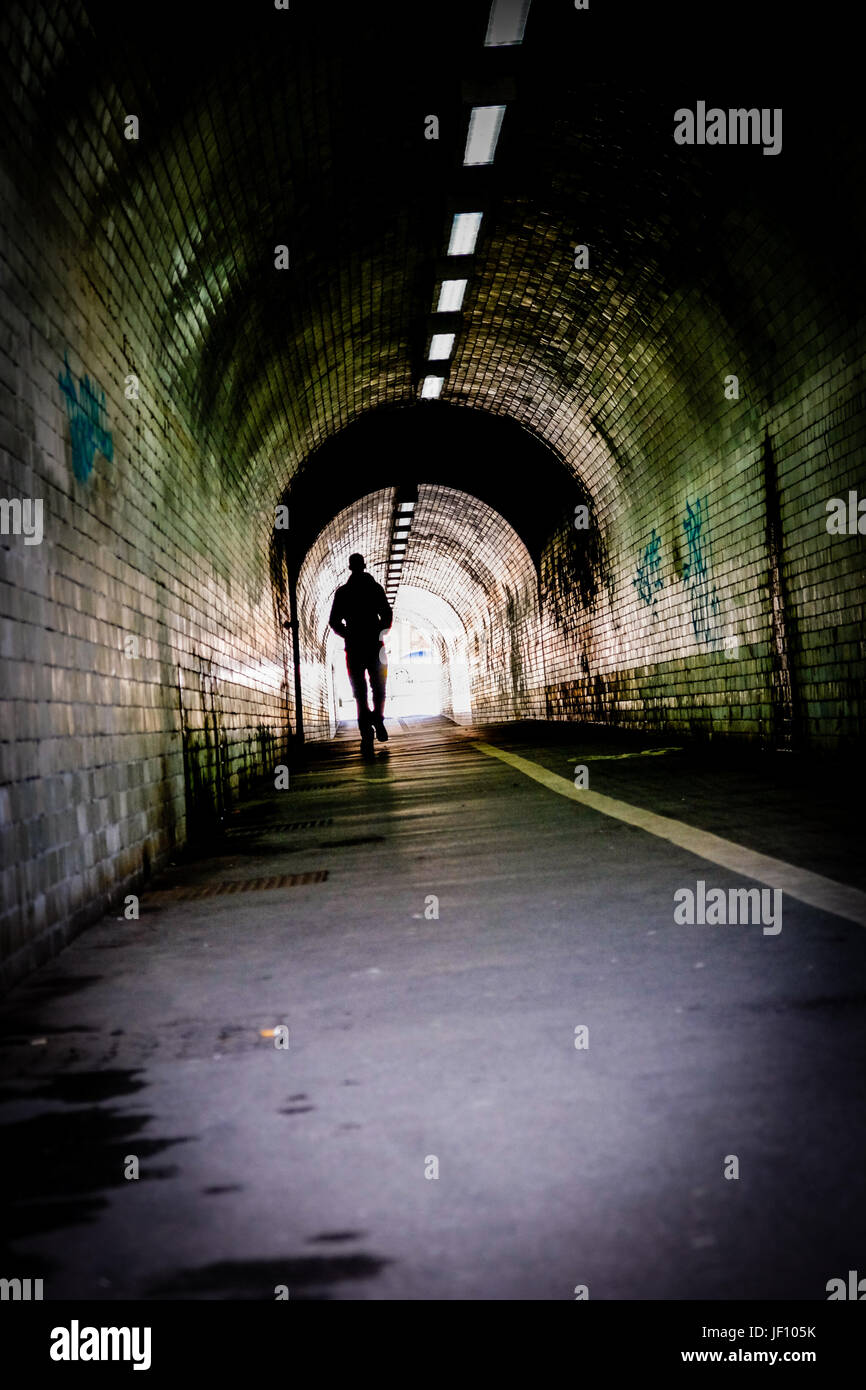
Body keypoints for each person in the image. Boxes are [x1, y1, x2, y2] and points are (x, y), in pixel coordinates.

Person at [328, 553, 393, 755]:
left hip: (354, 648)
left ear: (350, 568)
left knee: (360, 693)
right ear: (364, 567)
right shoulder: (375, 589)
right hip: (375, 646)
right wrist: (379, 631)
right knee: (379, 688)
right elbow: (387, 614)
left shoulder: (343, 592)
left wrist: (348, 634)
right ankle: (378, 720)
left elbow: (334, 621)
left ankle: (366, 733)